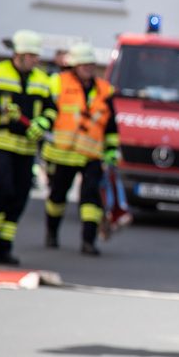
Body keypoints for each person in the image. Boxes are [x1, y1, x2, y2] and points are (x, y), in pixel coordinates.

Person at [0, 30, 56, 264]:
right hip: (1, 142)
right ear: (19, 54)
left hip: (26, 148)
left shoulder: (42, 79)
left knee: (19, 196)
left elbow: (51, 109)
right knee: (2, 189)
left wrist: (42, 122)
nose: (36, 60)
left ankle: (4, 247)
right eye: (32, 55)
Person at [42, 42, 119, 256]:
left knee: (91, 199)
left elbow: (111, 126)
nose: (88, 68)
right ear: (74, 65)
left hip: (92, 154)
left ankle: (88, 241)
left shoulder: (105, 90)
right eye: (84, 64)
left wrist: (112, 150)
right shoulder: (58, 83)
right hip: (63, 152)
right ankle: (52, 232)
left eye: (91, 64)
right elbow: (48, 111)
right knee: (57, 197)